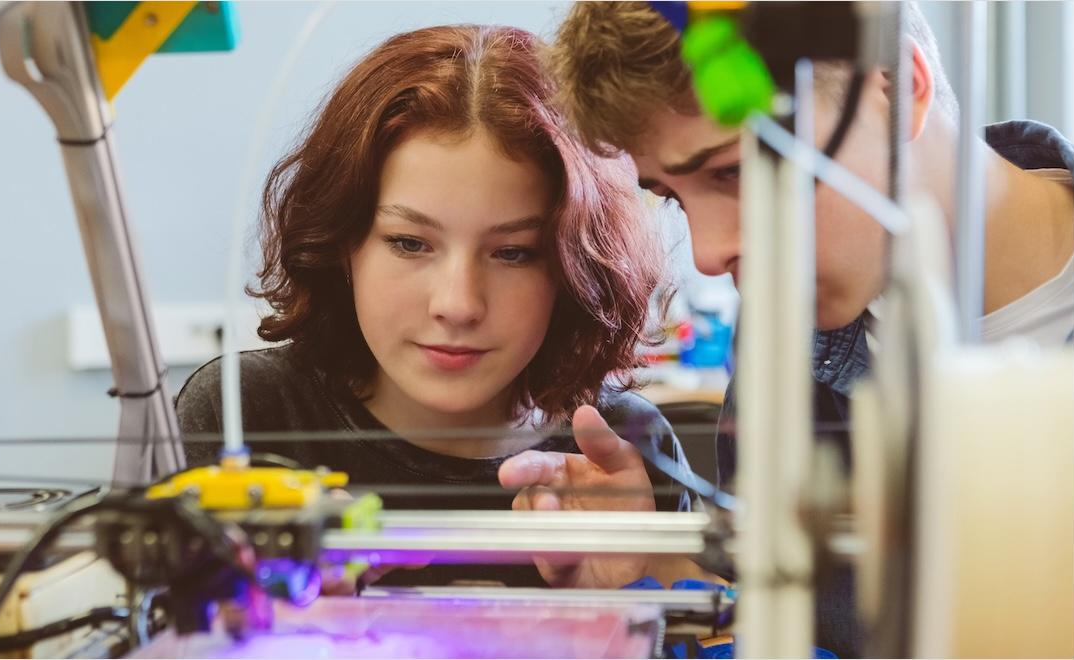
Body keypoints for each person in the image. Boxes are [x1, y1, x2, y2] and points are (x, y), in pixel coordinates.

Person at [547, 1, 1074, 655]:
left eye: (736, 170)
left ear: (899, 87)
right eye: (675, 197)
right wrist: (664, 564)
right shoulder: (785, 344)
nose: (709, 253)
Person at [176, 24, 700, 592]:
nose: (458, 305)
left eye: (514, 253)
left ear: (576, 270)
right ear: (341, 243)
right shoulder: (250, 416)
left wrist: (635, 592)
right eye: (409, 243)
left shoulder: (621, 447)